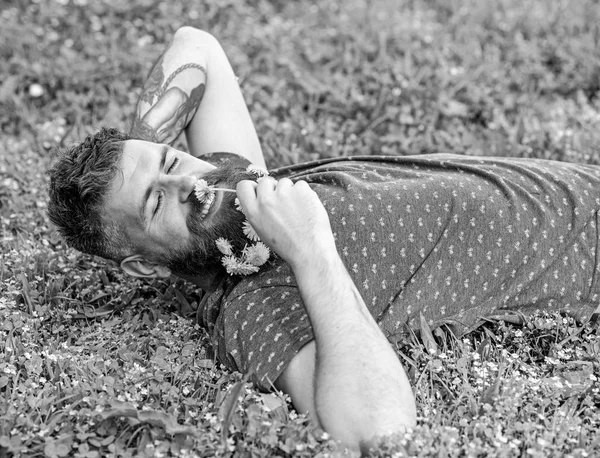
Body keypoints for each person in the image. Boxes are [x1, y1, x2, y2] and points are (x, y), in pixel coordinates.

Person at [47, 27, 599, 453]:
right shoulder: (251, 308)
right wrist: (311, 249)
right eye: (156, 202)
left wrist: (146, 156)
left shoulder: (234, 183)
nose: (188, 183)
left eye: (173, 161)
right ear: (144, 268)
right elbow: (377, 432)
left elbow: (197, 46)